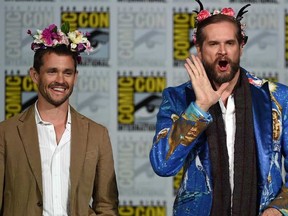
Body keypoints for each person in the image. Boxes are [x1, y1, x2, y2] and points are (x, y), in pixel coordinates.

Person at [149, 1, 288, 215]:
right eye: (213, 44)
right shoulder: (178, 98)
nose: (222, 52)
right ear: (199, 47)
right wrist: (199, 107)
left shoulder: (277, 97)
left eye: (229, 43)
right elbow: (162, 165)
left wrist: (279, 209)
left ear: (241, 46)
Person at [0, 22, 119, 216]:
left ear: (75, 77)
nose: (60, 81)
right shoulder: (6, 133)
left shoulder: (97, 134)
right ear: (35, 75)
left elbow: (107, 206)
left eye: (67, 73)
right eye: (52, 71)